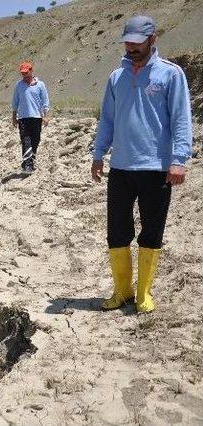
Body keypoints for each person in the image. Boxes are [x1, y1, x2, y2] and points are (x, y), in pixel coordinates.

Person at [92, 15, 192, 313]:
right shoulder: (116, 77)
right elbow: (107, 120)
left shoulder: (171, 75)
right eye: (128, 43)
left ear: (152, 40)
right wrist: (99, 154)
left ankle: (143, 294)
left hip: (157, 168)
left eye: (137, 43)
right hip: (121, 168)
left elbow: (181, 120)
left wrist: (179, 160)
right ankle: (122, 290)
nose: (132, 48)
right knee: (117, 231)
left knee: (151, 231)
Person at [11, 61, 50, 173]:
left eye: (26, 72)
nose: (24, 75)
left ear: (31, 71)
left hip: (37, 117)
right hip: (23, 118)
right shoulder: (18, 85)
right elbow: (15, 102)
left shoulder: (40, 85)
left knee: (35, 140)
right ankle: (28, 165)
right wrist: (14, 117)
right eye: (22, 73)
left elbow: (45, 101)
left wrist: (46, 116)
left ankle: (30, 161)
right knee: (25, 140)